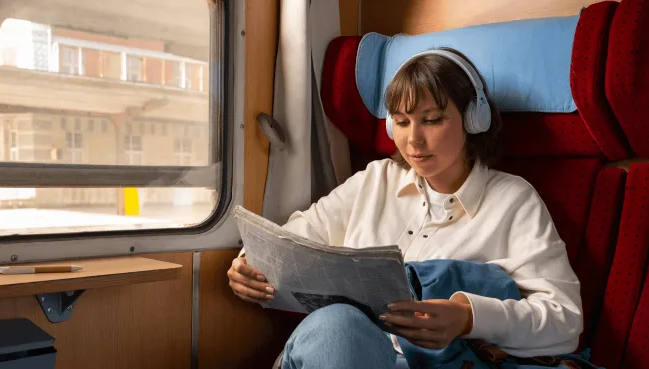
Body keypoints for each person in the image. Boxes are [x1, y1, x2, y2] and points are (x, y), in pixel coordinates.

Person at [227, 47, 583, 369]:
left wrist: (468, 318)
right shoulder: (376, 180)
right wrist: (250, 264)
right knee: (339, 324)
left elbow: (564, 320)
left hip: (440, 362)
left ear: (474, 119)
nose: (413, 140)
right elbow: (296, 238)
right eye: (401, 121)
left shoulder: (513, 200)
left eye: (431, 120)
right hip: (343, 353)